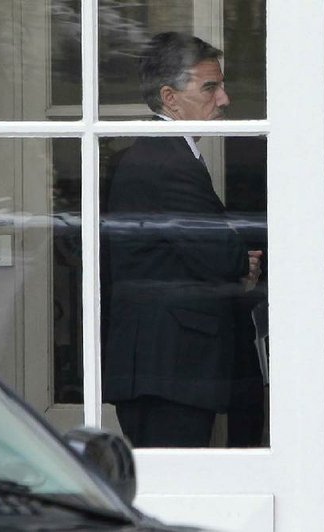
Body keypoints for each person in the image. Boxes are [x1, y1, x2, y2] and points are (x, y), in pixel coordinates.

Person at [103, 32, 263, 448]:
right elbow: (220, 254)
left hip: (165, 366)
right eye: (210, 87)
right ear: (170, 98)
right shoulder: (166, 161)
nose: (224, 99)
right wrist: (238, 257)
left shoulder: (164, 155)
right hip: (168, 369)